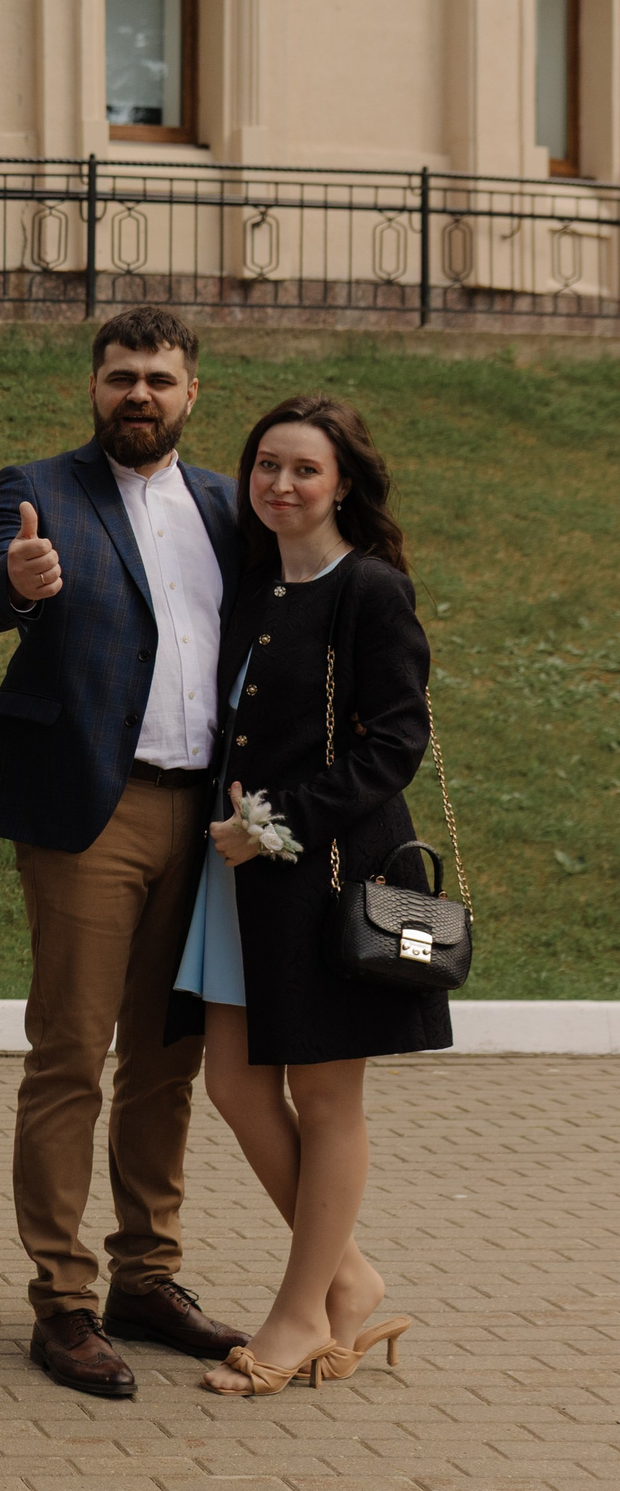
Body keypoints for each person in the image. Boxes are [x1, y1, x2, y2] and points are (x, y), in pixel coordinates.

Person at [0, 306, 254, 1398]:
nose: (140, 394)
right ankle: (64, 1300)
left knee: (167, 1062)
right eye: (122, 376)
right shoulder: (36, 485)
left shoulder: (231, 505)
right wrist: (17, 584)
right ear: (93, 385)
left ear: (191, 395)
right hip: (92, 810)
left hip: (208, 820)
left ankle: (147, 1275)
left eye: (160, 380)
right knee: (71, 1057)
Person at [166, 395, 448, 1396]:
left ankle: (300, 1314)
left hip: (323, 878)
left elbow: (397, 741)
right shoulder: (252, 584)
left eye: (304, 470)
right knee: (236, 1086)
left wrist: (277, 824)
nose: (280, 485)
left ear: (342, 484)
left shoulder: (368, 589)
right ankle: (351, 1276)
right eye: (266, 467)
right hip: (236, 881)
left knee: (325, 1100)